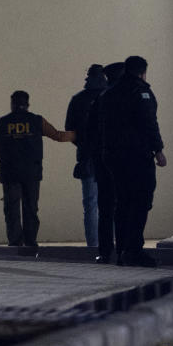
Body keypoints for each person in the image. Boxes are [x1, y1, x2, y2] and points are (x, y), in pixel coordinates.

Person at [0, 90, 75, 252]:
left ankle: (14, 242)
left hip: (10, 173)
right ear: (27, 104)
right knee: (31, 208)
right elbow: (57, 135)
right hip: (31, 172)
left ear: (12, 103)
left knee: (12, 209)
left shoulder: (2, 122)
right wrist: (79, 135)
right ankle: (30, 242)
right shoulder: (37, 120)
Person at [101, 56, 166, 266]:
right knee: (140, 201)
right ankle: (134, 250)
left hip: (113, 156)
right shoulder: (141, 91)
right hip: (137, 155)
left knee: (122, 202)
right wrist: (158, 150)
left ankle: (121, 250)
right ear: (143, 72)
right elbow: (149, 122)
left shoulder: (108, 93)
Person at [66, 64, 108, 249]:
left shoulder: (78, 99)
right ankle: (110, 244)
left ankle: (93, 246)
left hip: (87, 156)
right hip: (110, 157)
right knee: (110, 204)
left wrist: (83, 144)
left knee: (90, 204)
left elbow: (70, 129)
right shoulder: (112, 97)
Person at [88, 61, 125, 264]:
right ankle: (122, 250)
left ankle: (105, 252)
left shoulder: (99, 100)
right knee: (124, 207)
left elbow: (90, 133)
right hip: (123, 163)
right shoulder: (128, 98)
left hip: (104, 162)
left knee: (106, 209)